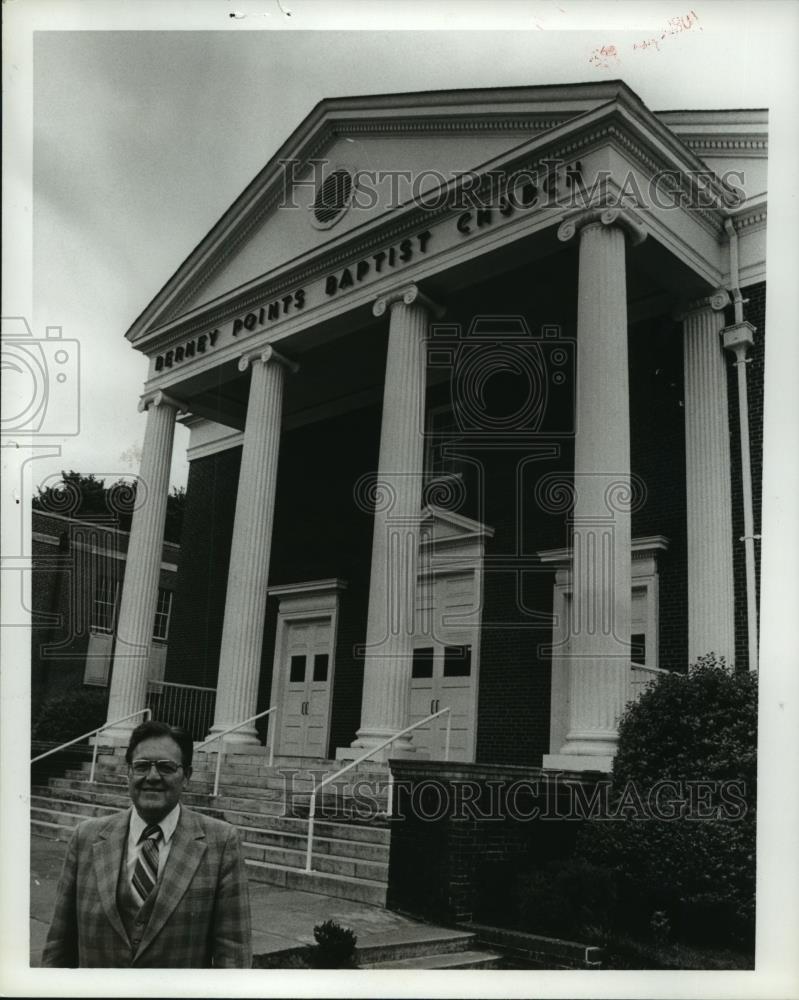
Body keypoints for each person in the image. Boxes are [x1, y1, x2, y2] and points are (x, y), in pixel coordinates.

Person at [42, 720, 252, 967]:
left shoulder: (222, 842)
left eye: (166, 767)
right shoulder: (85, 837)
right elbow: (59, 946)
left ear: (186, 776)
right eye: (142, 766)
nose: (152, 777)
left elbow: (234, 956)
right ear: (128, 773)